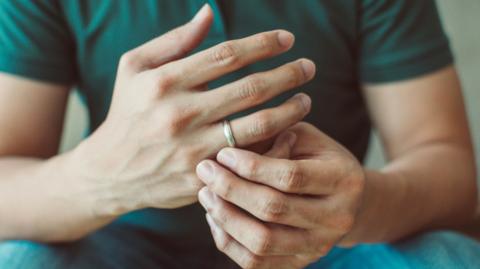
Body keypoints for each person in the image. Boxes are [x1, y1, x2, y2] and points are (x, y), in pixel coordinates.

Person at [0, 0, 478, 268]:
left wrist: (360, 205)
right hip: (115, 244)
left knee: (450, 258)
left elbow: (449, 170)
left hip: (328, 251)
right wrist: (100, 178)